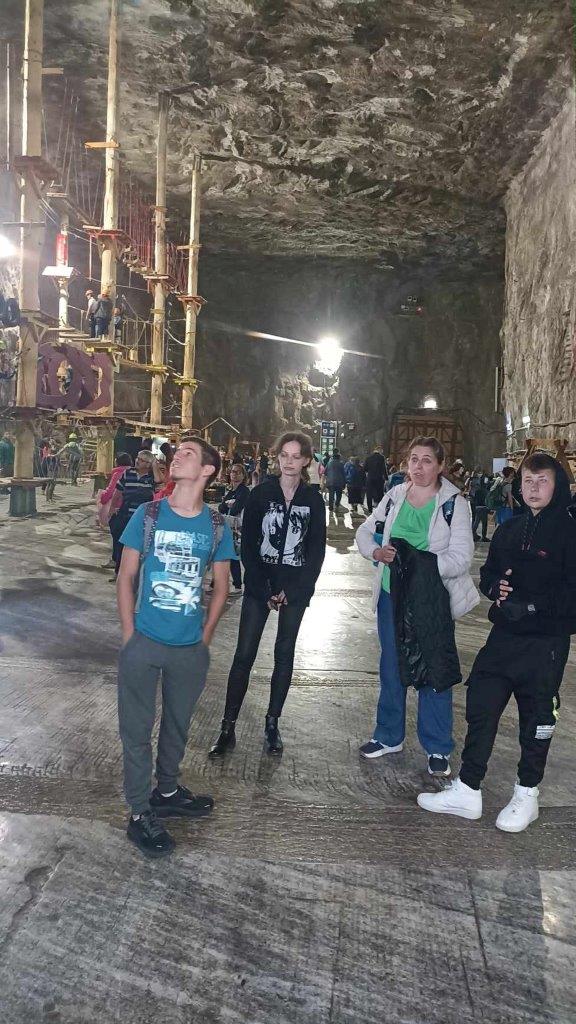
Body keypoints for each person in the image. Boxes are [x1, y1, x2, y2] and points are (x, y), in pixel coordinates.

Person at [417, 453, 576, 832]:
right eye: (528, 481)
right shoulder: (509, 528)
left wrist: (533, 606)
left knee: (537, 717)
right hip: (503, 636)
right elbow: (488, 574)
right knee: (482, 706)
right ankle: (468, 788)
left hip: (545, 643)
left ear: (558, 486)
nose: (533, 488)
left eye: (542, 481)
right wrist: (496, 588)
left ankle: (527, 792)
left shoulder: (570, 532)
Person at [116, 436, 237, 857]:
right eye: (176, 452)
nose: (176, 456)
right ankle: (138, 812)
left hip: (189, 648)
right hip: (144, 641)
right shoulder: (149, 514)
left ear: (207, 470)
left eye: (188, 453)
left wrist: (205, 638)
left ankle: (166, 792)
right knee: (136, 731)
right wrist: (130, 635)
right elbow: (126, 576)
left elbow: (222, 587)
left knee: (177, 725)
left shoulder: (216, 525)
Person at [356, 435, 478, 776]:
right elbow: (365, 531)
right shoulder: (395, 495)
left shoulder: (454, 504)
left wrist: (419, 564)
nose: (419, 467)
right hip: (391, 595)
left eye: (427, 460)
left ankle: (437, 746)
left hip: (429, 599)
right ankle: (388, 735)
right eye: (414, 459)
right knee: (391, 666)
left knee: (433, 669)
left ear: (440, 466)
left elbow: (461, 557)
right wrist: (376, 551)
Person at [209, 431, 326, 758]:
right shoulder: (261, 494)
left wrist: (295, 589)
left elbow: (316, 551)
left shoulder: (313, 500)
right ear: (277, 458)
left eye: (296, 456)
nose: (289, 462)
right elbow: (248, 545)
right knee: (244, 654)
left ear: (306, 461)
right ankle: (227, 727)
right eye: (284, 455)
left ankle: (272, 724)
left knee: (284, 654)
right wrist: (264, 586)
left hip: (295, 587)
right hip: (260, 584)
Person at [112, 449, 157, 575]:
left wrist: (154, 465)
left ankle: (135, 573)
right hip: (126, 514)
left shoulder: (151, 478)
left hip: (143, 518)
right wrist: (112, 509)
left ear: (148, 464)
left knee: (138, 547)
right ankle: (119, 573)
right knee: (122, 544)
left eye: (142, 460)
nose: (138, 461)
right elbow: (118, 492)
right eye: (138, 458)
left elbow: (160, 480)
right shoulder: (128, 473)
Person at [218, 462, 251, 591]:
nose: (234, 474)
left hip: (239, 529)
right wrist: (228, 504)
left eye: (238, 472)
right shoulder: (231, 491)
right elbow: (221, 508)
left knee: (235, 556)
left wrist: (228, 504)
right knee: (228, 555)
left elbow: (237, 508)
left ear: (243, 475)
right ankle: (233, 584)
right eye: (232, 471)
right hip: (229, 527)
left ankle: (239, 585)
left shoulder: (244, 491)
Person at [97, 452, 133, 567]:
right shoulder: (133, 473)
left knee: (116, 535)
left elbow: (111, 491)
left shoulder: (118, 473)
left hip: (117, 509)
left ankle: (116, 560)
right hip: (130, 509)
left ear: (117, 461)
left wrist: (102, 498)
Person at [469, 468, 491, 542]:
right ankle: (483, 537)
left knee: (476, 521)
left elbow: (474, 498)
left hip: (477, 506)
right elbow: (487, 500)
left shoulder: (477, 490)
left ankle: (472, 534)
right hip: (483, 507)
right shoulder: (486, 491)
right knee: (484, 522)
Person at [364, 446, 388, 513]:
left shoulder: (368, 458)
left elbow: (365, 468)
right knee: (380, 493)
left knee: (369, 494)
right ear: (379, 450)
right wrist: (386, 478)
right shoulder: (381, 457)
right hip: (379, 479)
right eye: (382, 451)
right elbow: (384, 468)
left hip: (370, 478)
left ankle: (370, 509)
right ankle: (379, 510)